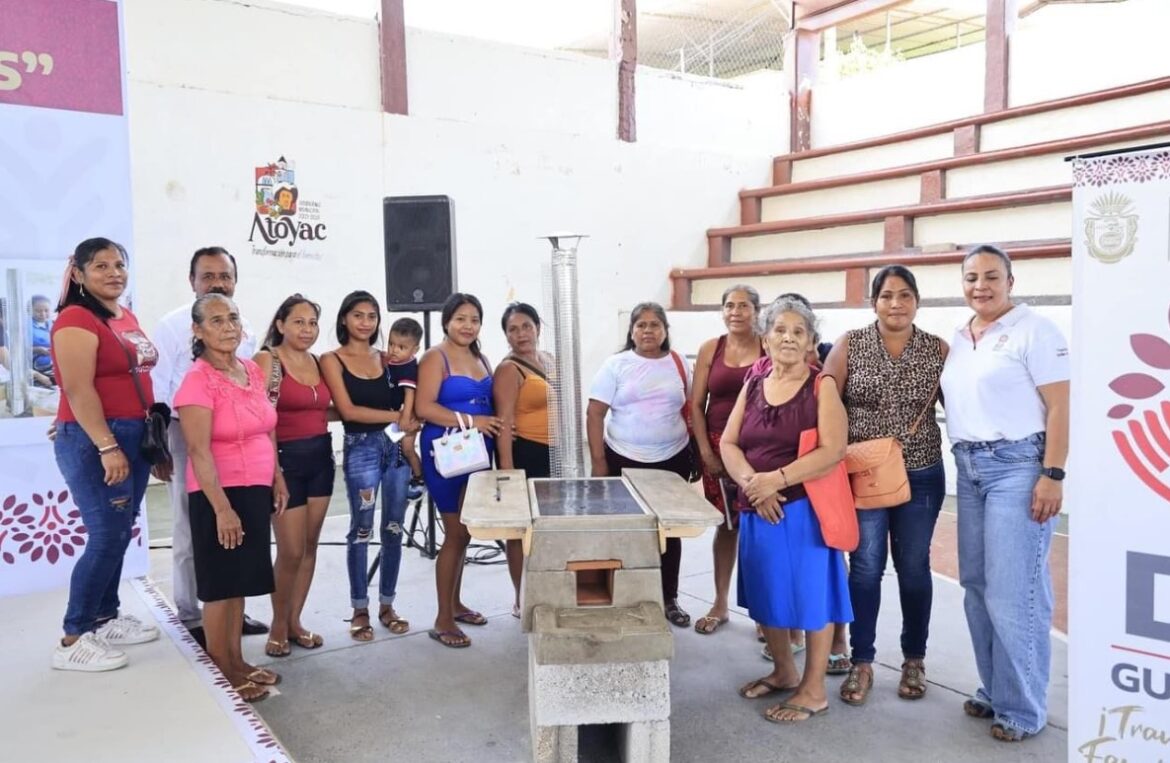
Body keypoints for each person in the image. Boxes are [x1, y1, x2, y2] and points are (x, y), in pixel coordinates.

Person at [941, 245, 1069, 742]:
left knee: (1017, 593)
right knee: (977, 585)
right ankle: (995, 689)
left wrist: (1052, 474)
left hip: (1018, 467)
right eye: (971, 277)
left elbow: (1060, 407)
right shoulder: (961, 335)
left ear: (1011, 281)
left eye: (992, 276)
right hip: (969, 467)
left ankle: (1022, 708)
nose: (981, 286)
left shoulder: (1036, 331)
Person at [720, 295, 852, 724]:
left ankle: (813, 690)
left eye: (799, 332)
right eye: (780, 330)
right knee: (765, 592)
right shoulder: (755, 383)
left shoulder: (822, 387)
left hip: (803, 510)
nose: (789, 338)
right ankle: (783, 670)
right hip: (758, 506)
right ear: (766, 336)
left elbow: (833, 451)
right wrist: (753, 485)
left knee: (812, 598)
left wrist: (776, 481)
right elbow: (729, 442)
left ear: (812, 341)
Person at [822, 265, 948, 705]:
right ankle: (862, 661)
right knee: (867, 567)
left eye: (905, 295)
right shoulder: (850, 345)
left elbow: (967, 403)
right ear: (873, 302)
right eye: (887, 295)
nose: (896, 303)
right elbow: (825, 398)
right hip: (866, 475)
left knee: (913, 567)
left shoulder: (937, 350)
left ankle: (914, 658)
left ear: (917, 300)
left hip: (922, 474)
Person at [50, 238, 161, 672]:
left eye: (119, 264)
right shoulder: (75, 318)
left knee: (120, 528)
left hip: (134, 434)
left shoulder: (123, 314)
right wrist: (105, 444)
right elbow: (78, 388)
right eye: (101, 266)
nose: (114, 273)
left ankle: (105, 616)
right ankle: (74, 636)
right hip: (103, 438)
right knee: (107, 534)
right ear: (78, 273)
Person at [150, 246, 267, 645]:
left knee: (235, 528)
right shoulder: (171, 325)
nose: (217, 282)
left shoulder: (243, 326)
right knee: (190, 526)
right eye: (208, 276)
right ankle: (191, 615)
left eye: (225, 276)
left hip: (237, 444)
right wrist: (161, 446)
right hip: (189, 434)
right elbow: (158, 386)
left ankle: (231, 612)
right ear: (192, 281)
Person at [175, 293, 287, 703]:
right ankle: (220, 667)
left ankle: (237, 660)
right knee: (221, 584)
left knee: (240, 578)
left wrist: (276, 474)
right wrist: (222, 508)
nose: (228, 327)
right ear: (198, 331)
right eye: (217, 320)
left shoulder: (250, 371)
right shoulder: (197, 380)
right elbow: (198, 451)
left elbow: (267, 427)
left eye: (233, 318)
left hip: (255, 486)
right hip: (217, 493)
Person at [587, 301, 693, 628]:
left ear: (665, 331)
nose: (648, 331)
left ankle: (668, 597)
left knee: (668, 531)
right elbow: (594, 414)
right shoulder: (616, 365)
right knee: (627, 529)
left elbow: (691, 408)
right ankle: (625, 594)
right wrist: (599, 461)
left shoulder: (680, 364)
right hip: (623, 458)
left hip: (673, 458)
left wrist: (699, 455)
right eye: (641, 325)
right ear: (631, 331)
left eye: (654, 325)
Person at [320, 291, 413, 643]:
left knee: (393, 528)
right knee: (361, 530)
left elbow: (410, 392)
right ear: (344, 318)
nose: (365, 322)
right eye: (358, 315)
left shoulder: (389, 359)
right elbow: (348, 412)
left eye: (372, 316)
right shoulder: (331, 359)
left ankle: (387, 606)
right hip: (361, 449)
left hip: (396, 450)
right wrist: (399, 418)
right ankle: (360, 608)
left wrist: (407, 427)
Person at [416, 293, 503, 648]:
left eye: (474, 319)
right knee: (454, 533)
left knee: (465, 533)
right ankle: (441, 619)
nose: (468, 326)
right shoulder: (434, 357)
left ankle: (455, 603)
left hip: (480, 451)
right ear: (447, 321)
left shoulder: (481, 356)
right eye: (461, 319)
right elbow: (424, 407)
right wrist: (472, 421)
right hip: (448, 451)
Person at [253, 295, 333, 657]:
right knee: (290, 551)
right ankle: (278, 624)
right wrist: (274, 472)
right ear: (281, 324)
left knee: (310, 547)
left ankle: (296, 621)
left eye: (313, 322)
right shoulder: (267, 361)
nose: (307, 329)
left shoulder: (318, 362)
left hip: (321, 458)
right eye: (299, 322)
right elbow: (261, 419)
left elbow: (325, 409)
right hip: (285, 463)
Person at [689, 285, 763, 636]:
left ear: (757, 311)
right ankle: (720, 603)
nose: (736, 312)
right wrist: (705, 451)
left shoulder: (769, 345)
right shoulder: (710, 349)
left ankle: (767, 614)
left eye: (744, 306)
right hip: (718, 450)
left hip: (760, 450)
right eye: (730, 305)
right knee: (728, 527)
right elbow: (695, 405)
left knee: (762, 528)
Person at [493, 302, 553, 617]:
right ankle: (522, 597)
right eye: (513, 329)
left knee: (548, 530)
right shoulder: (508, 369)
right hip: (525, 453)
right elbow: (503, 423)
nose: (521, 334)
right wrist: (507, 474)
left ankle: (546, 590)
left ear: (537, 327)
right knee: (520, 532)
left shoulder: (550, 360)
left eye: (526, 326)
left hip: (554, 456)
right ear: (506, 335)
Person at [386, 317, 425, 500]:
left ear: (414, 350)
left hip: (406, 417)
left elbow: (410, 394)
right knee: (397, 451)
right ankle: (406, 477)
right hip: (394, 417)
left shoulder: (408, 367)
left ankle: (419, 478)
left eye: (401, 347)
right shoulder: (391, 362)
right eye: (391, 344)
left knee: (407, 448)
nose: (394, 350)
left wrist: (405, 417)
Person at [29, 294, 55, 379]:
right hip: (37, 368)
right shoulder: (26, 326)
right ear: (30, 310)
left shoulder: (52, 323)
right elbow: (20, 350)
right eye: (38, 311)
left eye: (46, 310)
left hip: (54, 364)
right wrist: (38, 350)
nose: (43, 314)